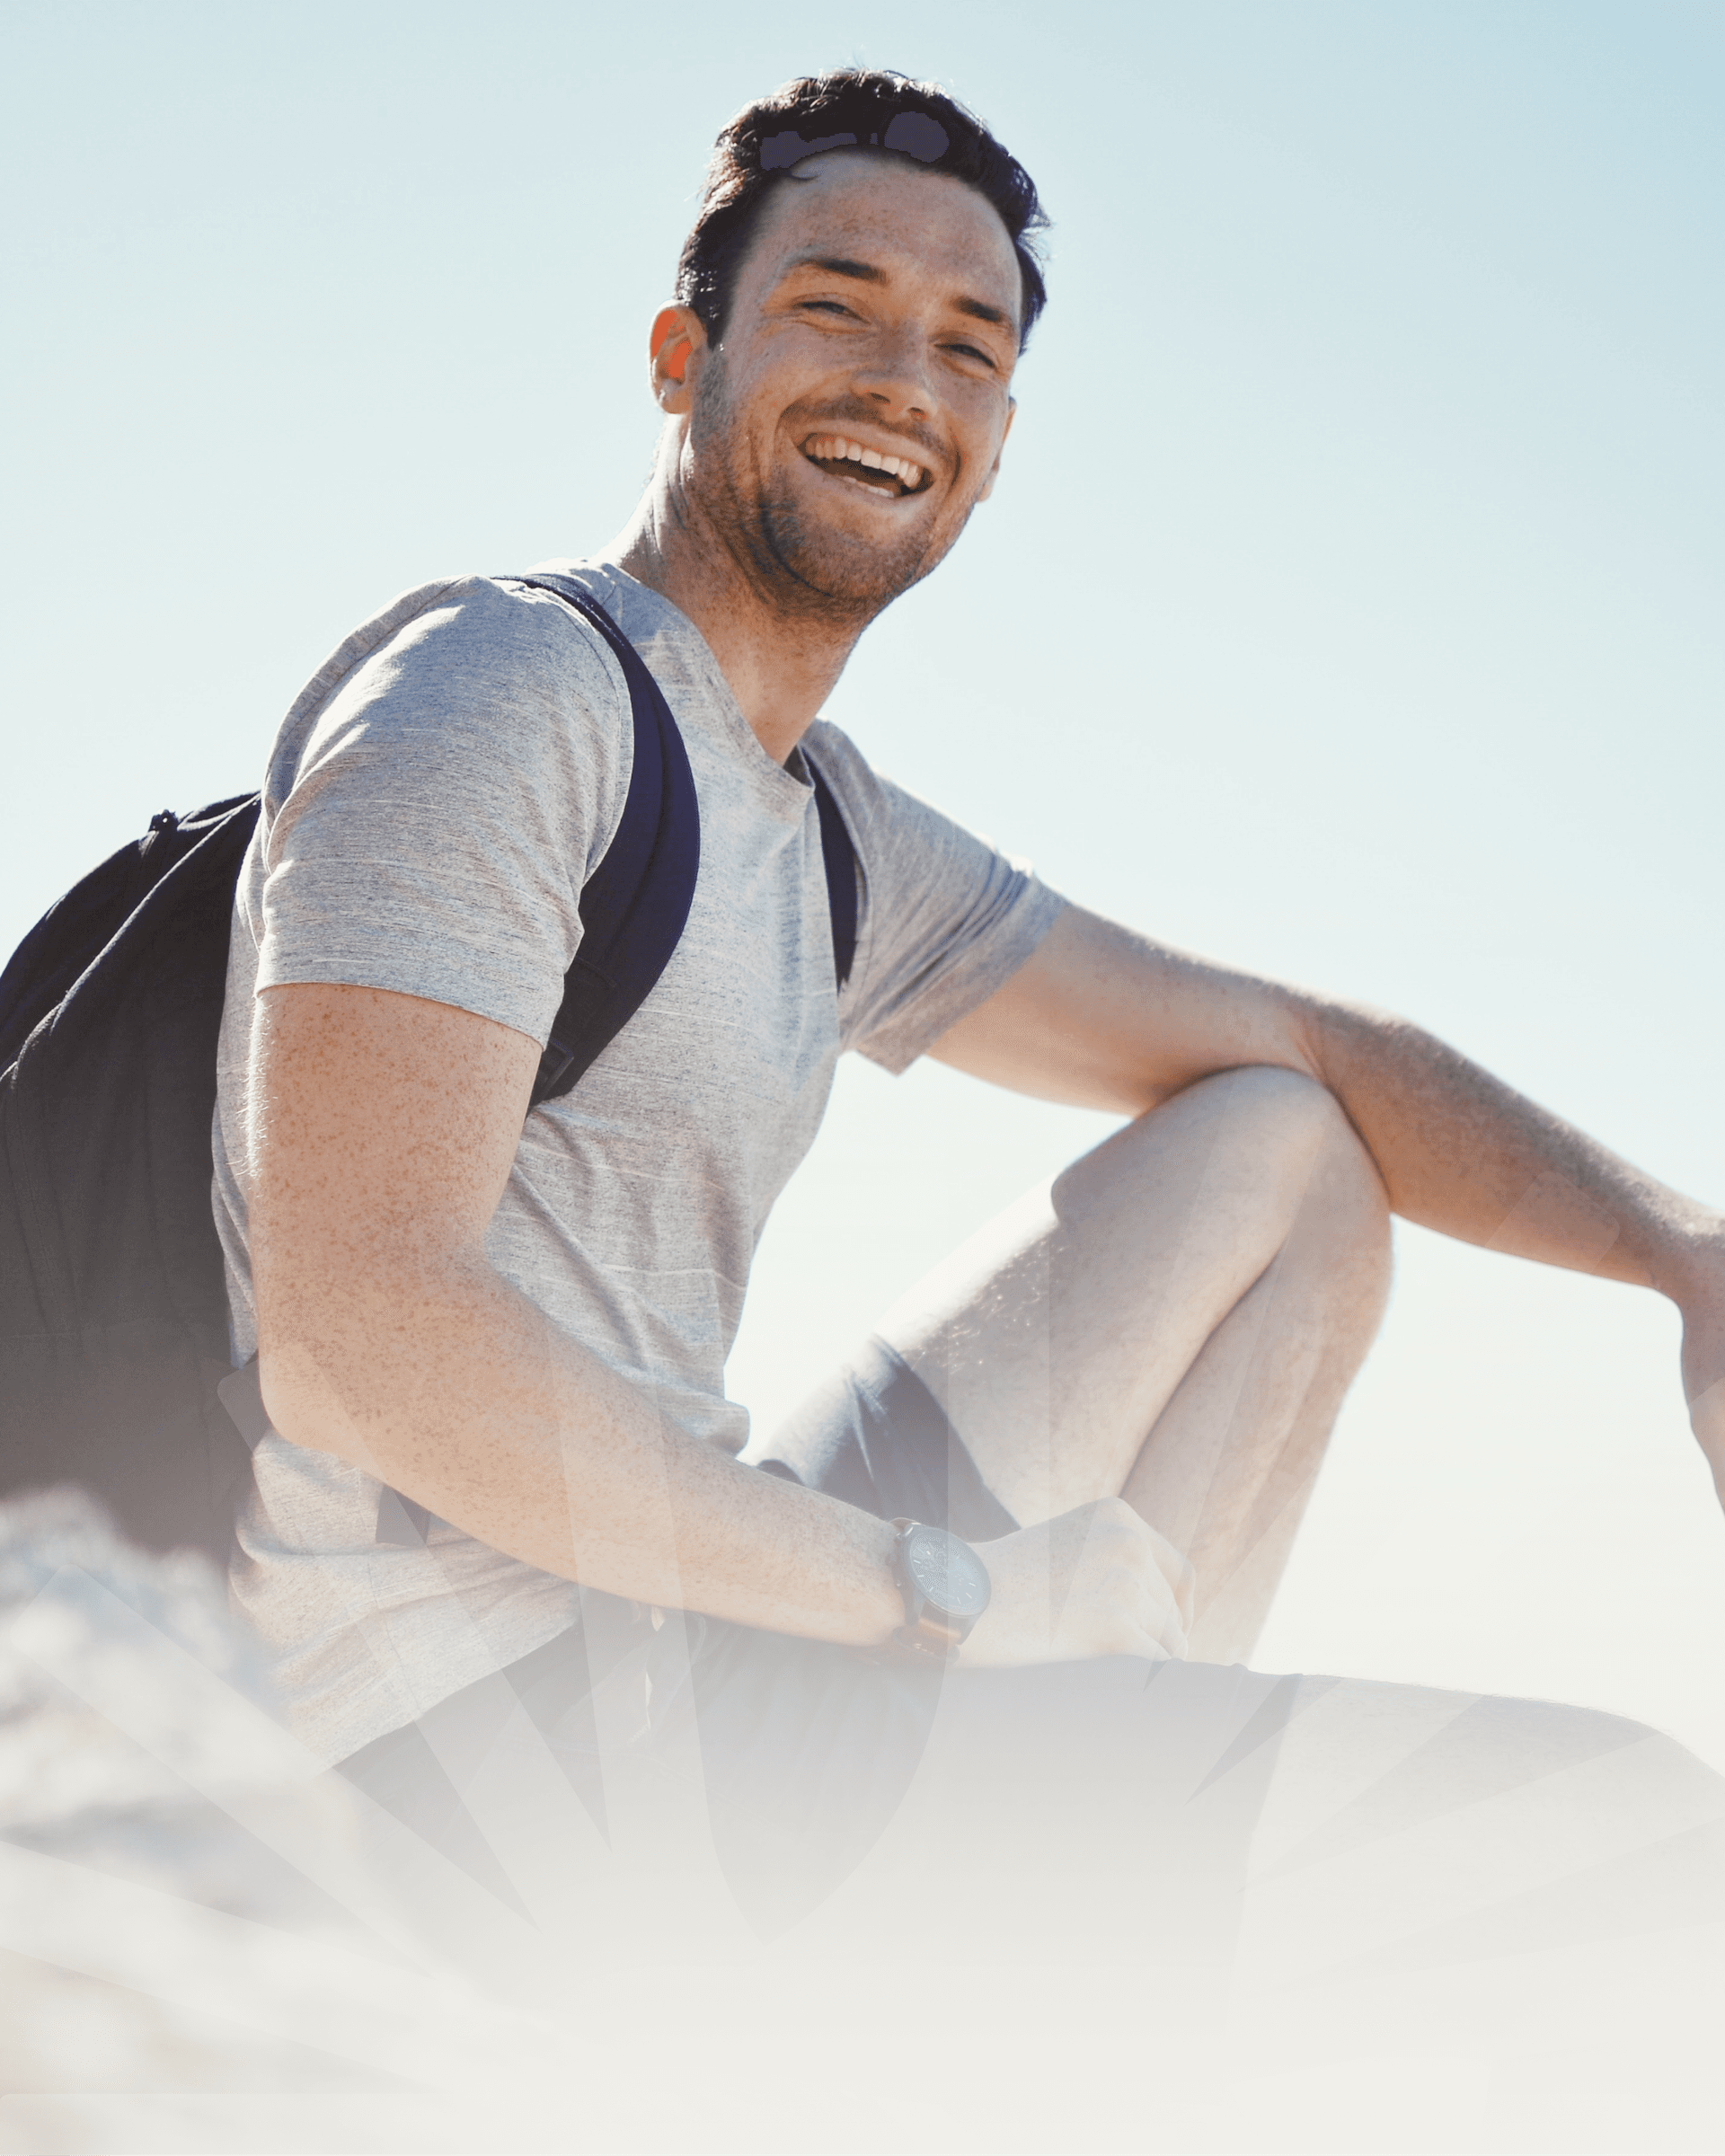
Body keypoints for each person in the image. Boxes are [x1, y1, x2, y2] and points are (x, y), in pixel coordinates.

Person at [215, 69, 1725, 1951]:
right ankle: (1022, 1920)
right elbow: (357, 1338)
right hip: (480, 1754)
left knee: (1283, 1142)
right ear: (685, 353)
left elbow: (1307, 1044)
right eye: (833, 305)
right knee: (1630, 1828)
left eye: (966, 346)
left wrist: (1686, 1257)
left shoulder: (826, 826)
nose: (901, 381)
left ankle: (1077, 1859)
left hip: (688, 1609)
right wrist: (942, 1590)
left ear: (997, 445)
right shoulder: (503, 698)